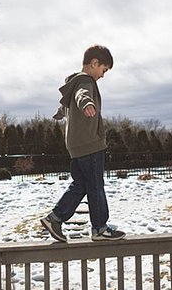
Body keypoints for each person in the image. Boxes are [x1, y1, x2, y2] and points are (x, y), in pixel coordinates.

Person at [40, 45, 126, 242]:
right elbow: (82, 96)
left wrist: (60, 113)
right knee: (96, 185)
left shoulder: (73, 84)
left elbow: (64, 104)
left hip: (75, 146)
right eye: (103, 70)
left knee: (80, 185)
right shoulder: (85, 82)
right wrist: (87, 103)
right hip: (90, 144)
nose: (103, 76)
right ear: (94, 63)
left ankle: (55, 218)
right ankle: (100, 228)